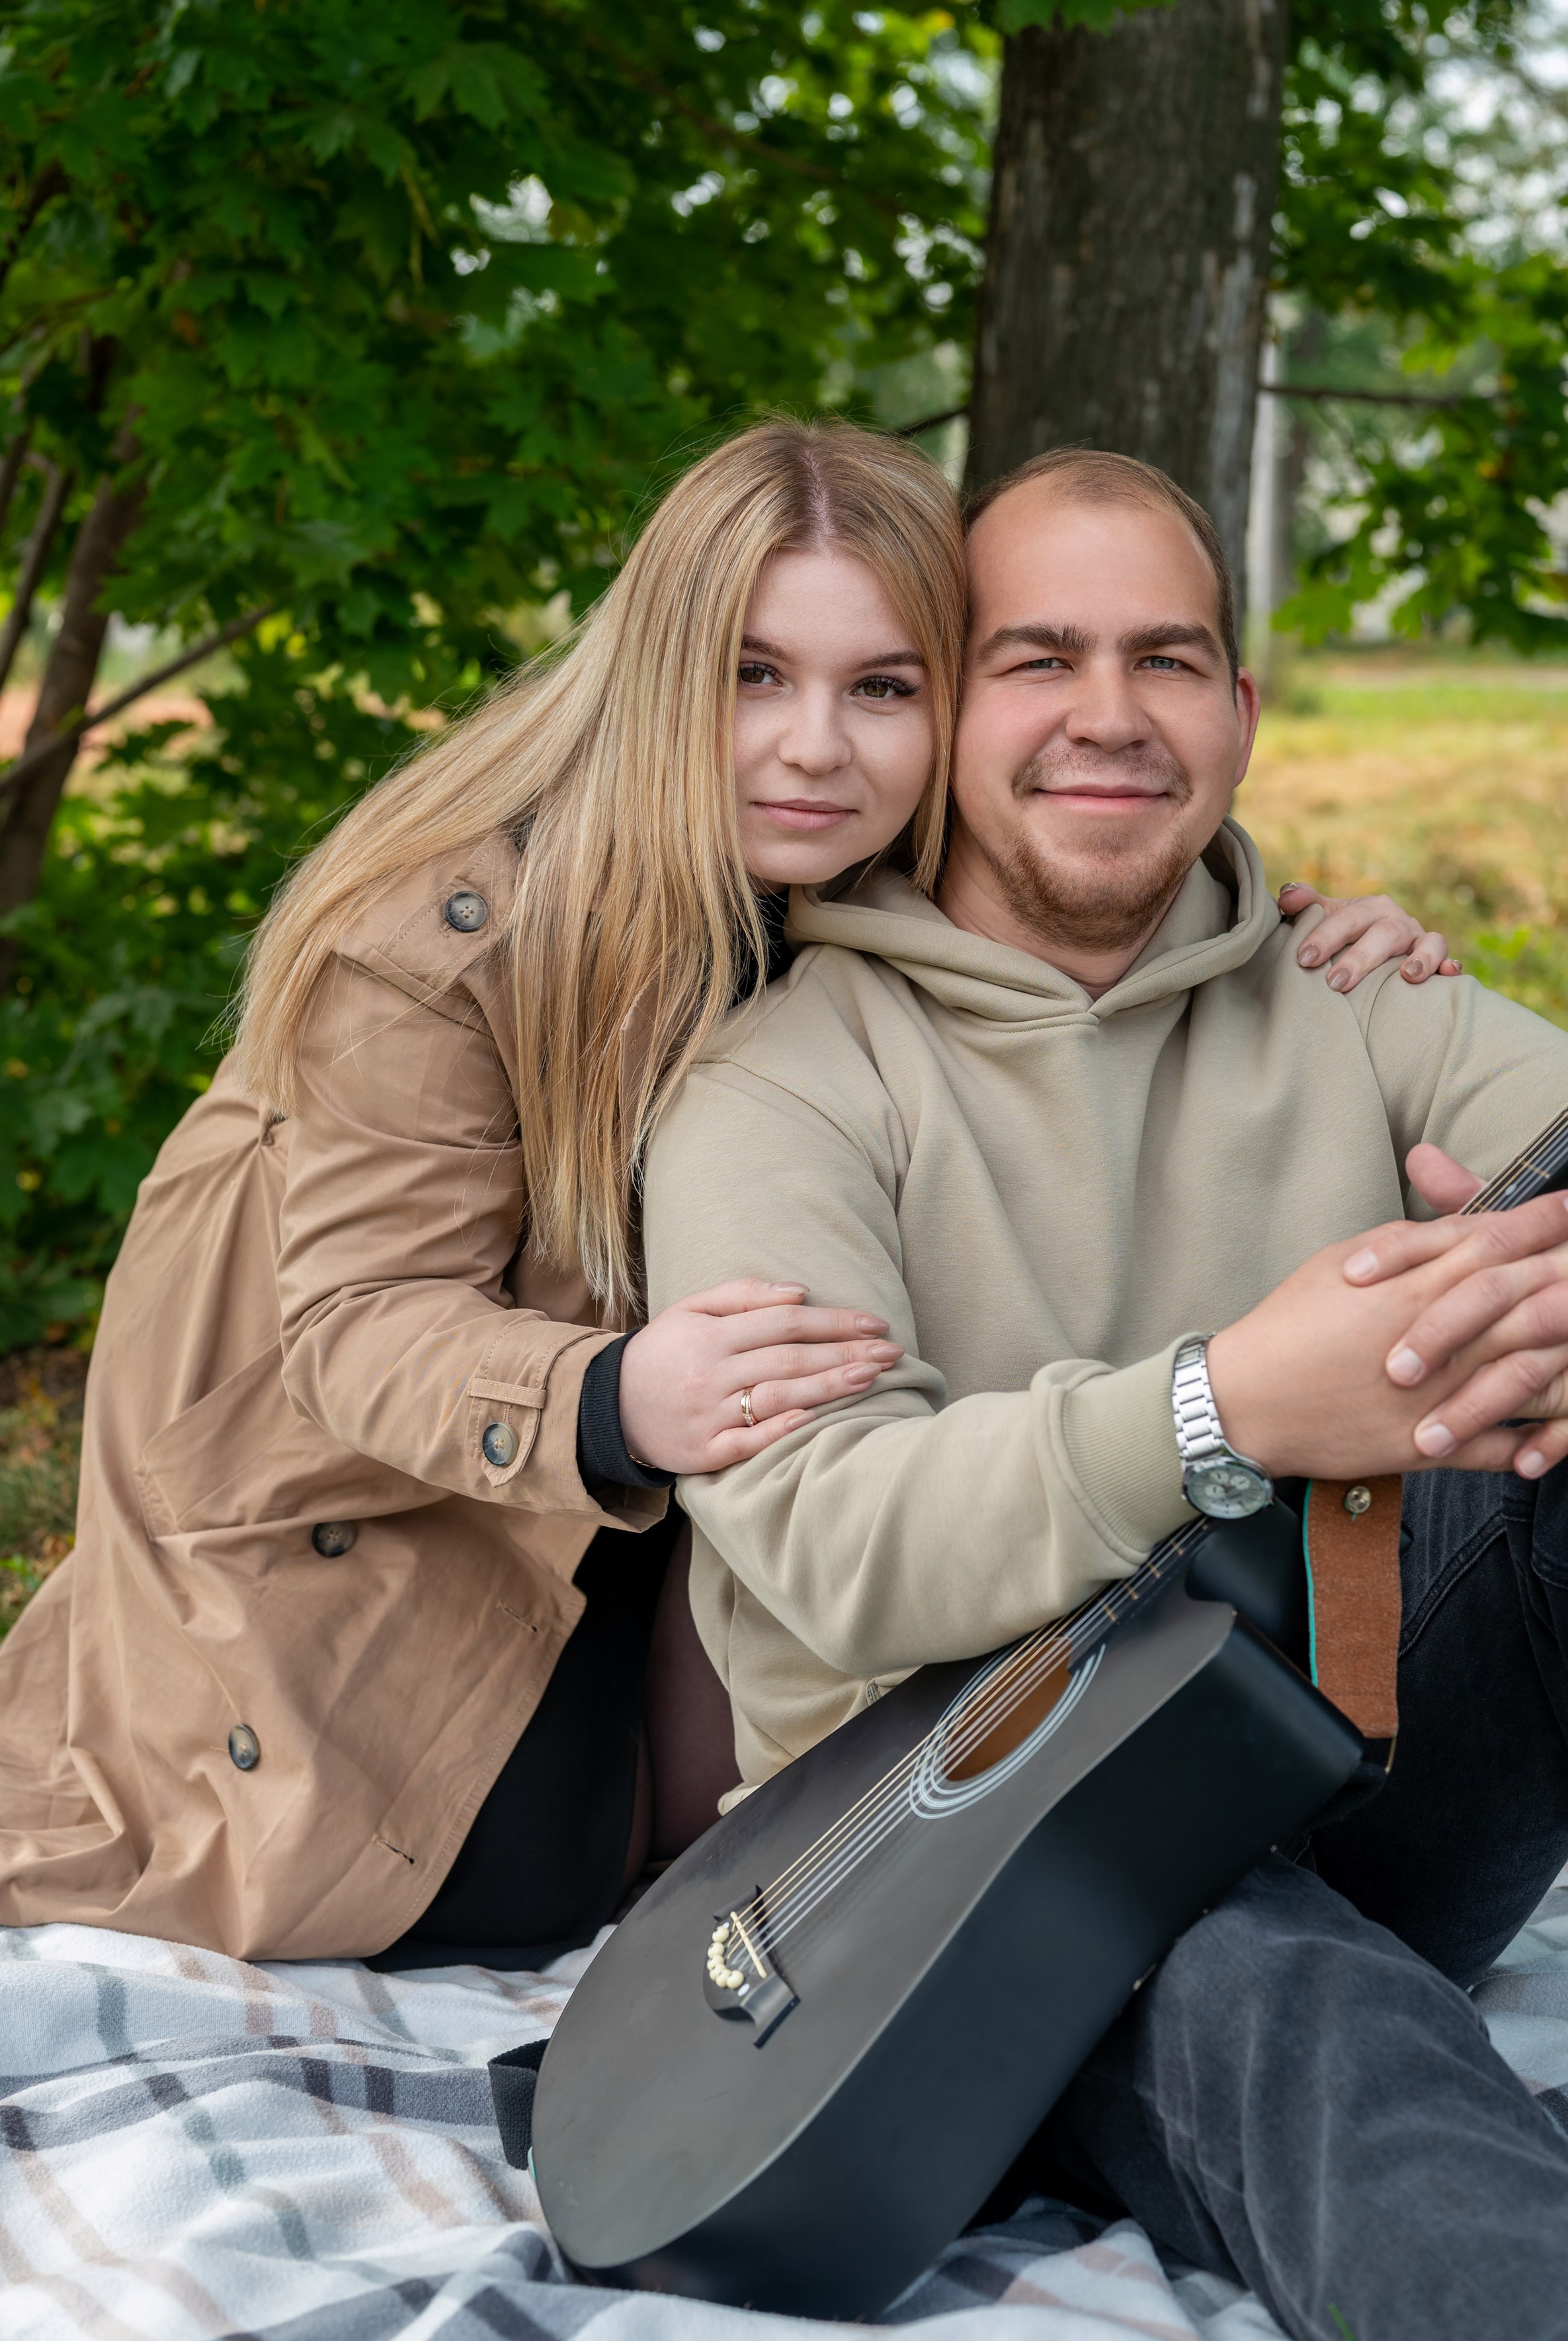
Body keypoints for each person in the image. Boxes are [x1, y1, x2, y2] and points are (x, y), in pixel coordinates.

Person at [0, 424, 1440, 1969]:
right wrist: (616, 1394)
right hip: (370, 1547)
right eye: (754, 675)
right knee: (522, 1861)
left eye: (881, 687)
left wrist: (1287, 938)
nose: (814, 745)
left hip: (673, 1504)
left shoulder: (842, 886)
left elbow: (1096, 867)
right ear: (659, 671)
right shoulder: (444, 941)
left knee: (874, 1767)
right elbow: (355, 1332)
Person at [642, 448, 1568, 2339]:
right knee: (1301, 2006)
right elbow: (826, 1537)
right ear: (950, 703)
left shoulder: (1354, 996)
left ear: (1241, 709)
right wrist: (1221, 1411)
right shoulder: (786, 1085)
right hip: (970, 1877)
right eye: (1040, 659)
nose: (1110, 717)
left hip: (1358, 1772)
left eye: (1169, 659)